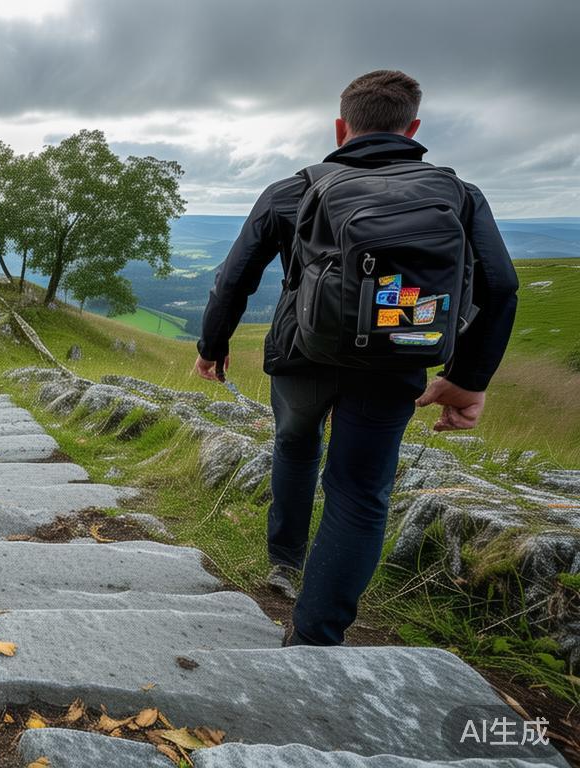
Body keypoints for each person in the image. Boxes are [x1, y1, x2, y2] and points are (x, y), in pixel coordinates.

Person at [193, 69, 518, 646]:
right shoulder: (458, 194)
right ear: (413, 127)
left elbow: (235, 276)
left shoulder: (293, 190)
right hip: (396, 360)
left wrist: (212, 347)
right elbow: (501, 286)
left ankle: (284, 561)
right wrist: (466, 380)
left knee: (295, 444)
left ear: (341, 126)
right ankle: (316, 637)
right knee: (360, 490)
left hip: (301, 356)